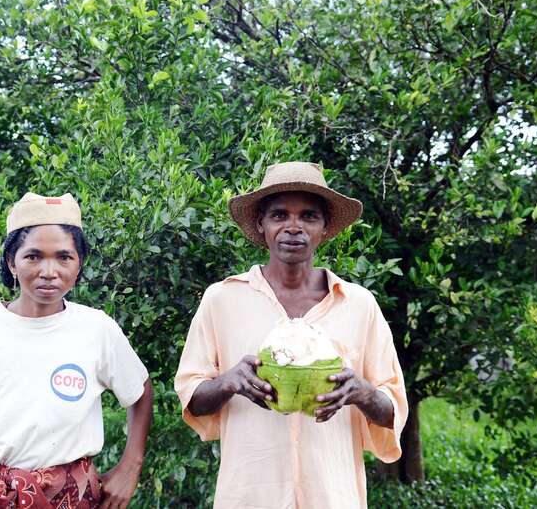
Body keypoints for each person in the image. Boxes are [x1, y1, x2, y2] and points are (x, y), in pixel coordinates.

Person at [175, 161, 408, 508]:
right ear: (261, 224)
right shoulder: (222, 299)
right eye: (280, 215)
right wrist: (230, 381)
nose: (293, 227)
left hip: (332, 497)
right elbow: (191, 398)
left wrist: (360, 391)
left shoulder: (358, 305)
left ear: (325, 227)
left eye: (308, 216)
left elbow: (393, 411)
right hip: (250, 497)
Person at [0, 193, 153, 509]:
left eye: (64, 257)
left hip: (73, 499)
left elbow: (139, 390)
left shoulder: (96, 329)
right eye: (33, 256)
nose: (49, 271)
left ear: (79, 263)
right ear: (12, 262)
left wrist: (130, 467)